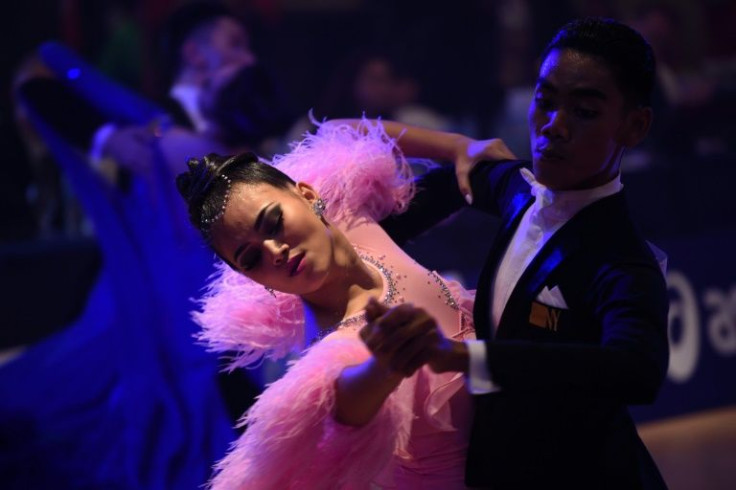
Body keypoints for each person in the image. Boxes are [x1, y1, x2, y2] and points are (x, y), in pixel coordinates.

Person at [361, 17, 670, 489]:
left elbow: (637, 371)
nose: (553, 126)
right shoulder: (516, 188)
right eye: (544, 101)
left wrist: (468, 358)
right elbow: (355, 140)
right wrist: (455, 146)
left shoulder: (623, 260)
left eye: (584, 111)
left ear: (635, 126)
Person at [176, 119, 514, 488]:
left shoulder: (352, 220)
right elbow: (344, 404)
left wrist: (456, 146)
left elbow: (339, 130)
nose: (274, 252)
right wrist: (385, 365)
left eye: (273, 223)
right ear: (250, 277)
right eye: (251, 259)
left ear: (306, 194)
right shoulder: (339, 349)